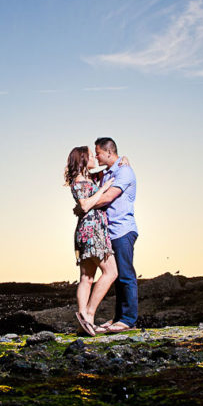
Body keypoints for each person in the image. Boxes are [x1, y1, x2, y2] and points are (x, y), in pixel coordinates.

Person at [83, 137, 139, 333]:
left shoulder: (124, 171)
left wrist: (86, 205)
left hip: (123, 230)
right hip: (109, 232)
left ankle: (128, 319)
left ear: (108, 152)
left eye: (97, 152)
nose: (96, 156)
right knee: (116, 276)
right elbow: (84, 176)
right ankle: (119, 318)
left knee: (125, 275)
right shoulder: (106, 173)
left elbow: (107, 197)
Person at [65, 145, 118, 336]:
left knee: (86, 278)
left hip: (88, 229)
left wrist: (124, 159)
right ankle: (88, 313)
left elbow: (111, 166)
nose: (95, 157)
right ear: (83, 159)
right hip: (92, 230)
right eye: (91, 155)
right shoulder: (79, 182)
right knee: (111, 272)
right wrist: (103, 189)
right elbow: (85, 205)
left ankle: (85, 324)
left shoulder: (88, 178)